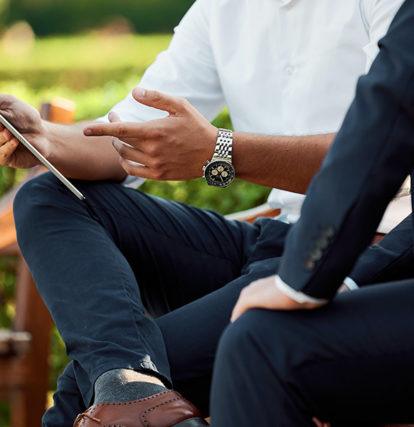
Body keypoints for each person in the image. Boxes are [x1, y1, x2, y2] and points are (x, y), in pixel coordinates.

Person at [0, 0, 407, 425]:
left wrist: (222, 151)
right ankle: (128, 381)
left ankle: (127, 384)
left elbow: (383, 154)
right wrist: (42, 138)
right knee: (47, 196)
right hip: (271, 240)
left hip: (360, 249)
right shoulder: (221, 8)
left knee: (75, 401)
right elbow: (128, 136)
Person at [210, 1, 414, 425]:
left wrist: (302, 280)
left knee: (260, 346)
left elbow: (389, 115)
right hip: (280, 243)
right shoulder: (219, 11)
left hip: (327, 253)